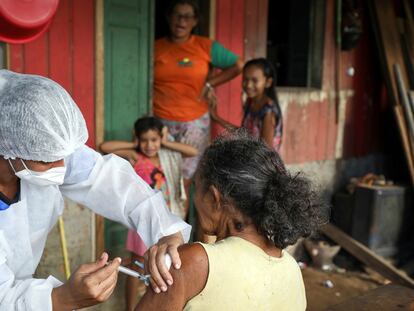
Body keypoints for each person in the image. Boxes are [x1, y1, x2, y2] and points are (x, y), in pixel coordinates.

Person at [0, 70, 190, 310]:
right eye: (47, 161)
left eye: (64, 156)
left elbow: (108, 179)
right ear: (8, 149)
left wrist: (166, 230)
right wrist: (61, 299)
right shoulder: (19, 139)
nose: (62, 167)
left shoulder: (41, 150)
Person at [135, 130, 327, 310]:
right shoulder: (291, 270)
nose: (194, 198)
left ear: (213, 198)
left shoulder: (191, 263)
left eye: (196, 187)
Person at [100, 116, 198, 310]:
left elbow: (193, 151)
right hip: (142, 222)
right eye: (144, 140)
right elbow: (104, 147)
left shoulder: (168, 156)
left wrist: (165, 141)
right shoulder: (135, 157)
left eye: (154, 140)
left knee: (162, 264)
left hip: (166, 223)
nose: (150, 145)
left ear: (160, 138)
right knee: (137, 265)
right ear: (137, 139)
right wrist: (132, 145)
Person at [153, 0, 244, 191]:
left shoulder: (204, 46)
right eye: (177, 15)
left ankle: (180, 219)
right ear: (169, 17)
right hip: (161, 122)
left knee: (183, 183)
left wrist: (211, 83)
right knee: (161, 179)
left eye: (187, 17)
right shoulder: (155, 47)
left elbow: (238, 65)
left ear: (195, 21)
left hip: (194, 124)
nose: (181, 21)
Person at [210, 58, 283, 151]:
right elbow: (244, 133)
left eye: (254, 80)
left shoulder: (268, 112)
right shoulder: (250, 102)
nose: (248, 85)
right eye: (245, 79)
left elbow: (266, 151)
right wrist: (216, 118)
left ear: (268, 82)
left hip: (262, 163)